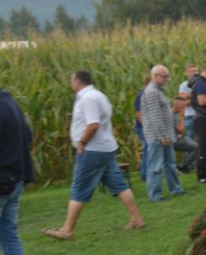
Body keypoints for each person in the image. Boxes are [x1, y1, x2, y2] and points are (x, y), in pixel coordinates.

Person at [44, 70, 145, 240]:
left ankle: (67, 230)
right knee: (119, 185)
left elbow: (93, 124)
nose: (71, 83)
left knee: (79, 187)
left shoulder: (88, 99)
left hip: (92, 149)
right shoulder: (99, 95)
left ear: (78, 81)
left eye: (72, 80)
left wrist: (82, 142)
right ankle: (137, 219)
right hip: (105, 148)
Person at [0, 87, 33, 255]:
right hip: (16, 178)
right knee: (10, 236)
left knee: (9, 235)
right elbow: (28, 137)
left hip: (2, 179)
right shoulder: (11, 103)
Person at [141, 65, 185, 201]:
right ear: (155, 76)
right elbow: (155, 117)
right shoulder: (152, 92)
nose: (167, 79)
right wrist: (162, 136)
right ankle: (155, 195)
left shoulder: (159, 91)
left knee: (169, 164)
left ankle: (176, 189)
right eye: (164, 77)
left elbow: (164, 113)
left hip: (166, 134)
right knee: (155, 167)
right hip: (157, 136)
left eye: (167, 76)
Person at [172, 98, 198, 173]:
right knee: (196, 148)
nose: (184, 107)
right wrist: (182, 116)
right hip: (175, 140)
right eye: (182, 106)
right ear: (176, 105)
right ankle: (182, 167)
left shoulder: (173, 114)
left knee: (194, 145)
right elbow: (181, 130)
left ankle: (183, 166)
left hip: (179, 137)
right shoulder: (173, 115)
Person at [134, 76, 150, 182]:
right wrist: (146, 127)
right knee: (148, 150)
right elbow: (139, 114)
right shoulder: (141, 96)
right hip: (143, 128)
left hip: (147, 128)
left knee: (149, 150)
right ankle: (144, 175)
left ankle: (148, 173)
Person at [178, 64, 199, 143]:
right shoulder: (184, 85)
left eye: (196, 71)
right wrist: (196, 97)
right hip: (189, 115)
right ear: (187, 73)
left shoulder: (201, 84)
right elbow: (183, 102)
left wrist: (189, 96)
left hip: (201, 114)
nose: (195, 73)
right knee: (190, 138)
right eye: (192, 71)